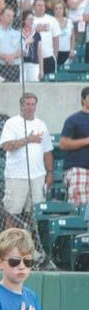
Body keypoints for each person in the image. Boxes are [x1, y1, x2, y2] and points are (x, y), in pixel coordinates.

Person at [0, 93, 53, 228]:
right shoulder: (11, 123)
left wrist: (50, 172)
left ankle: (29, 242)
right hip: (17, 176)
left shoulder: (41, 124)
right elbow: (6, 146)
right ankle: (9, 243)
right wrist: (27, 140)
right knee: (12, 213)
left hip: (38, 176)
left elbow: (47, 151)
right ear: (21, 106)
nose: (30, 107)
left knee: (34, 213)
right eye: (27, 104)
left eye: (33, 104)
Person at [59, 86, 89, 225]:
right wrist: (86, 141)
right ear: (83, 99)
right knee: (77, 209)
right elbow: (63, 144)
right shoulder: (74, 119)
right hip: (78, 170)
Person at [32, 0, 60, 76]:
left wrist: (55, 56)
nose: (41, 7)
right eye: (38, 5)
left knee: (50, 84)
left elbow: (56, 39)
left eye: (43, 5)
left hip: (49, 57)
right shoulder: (30, 20)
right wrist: (36, 29)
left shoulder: (52, 20)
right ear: (34, 7)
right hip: (34, 59)